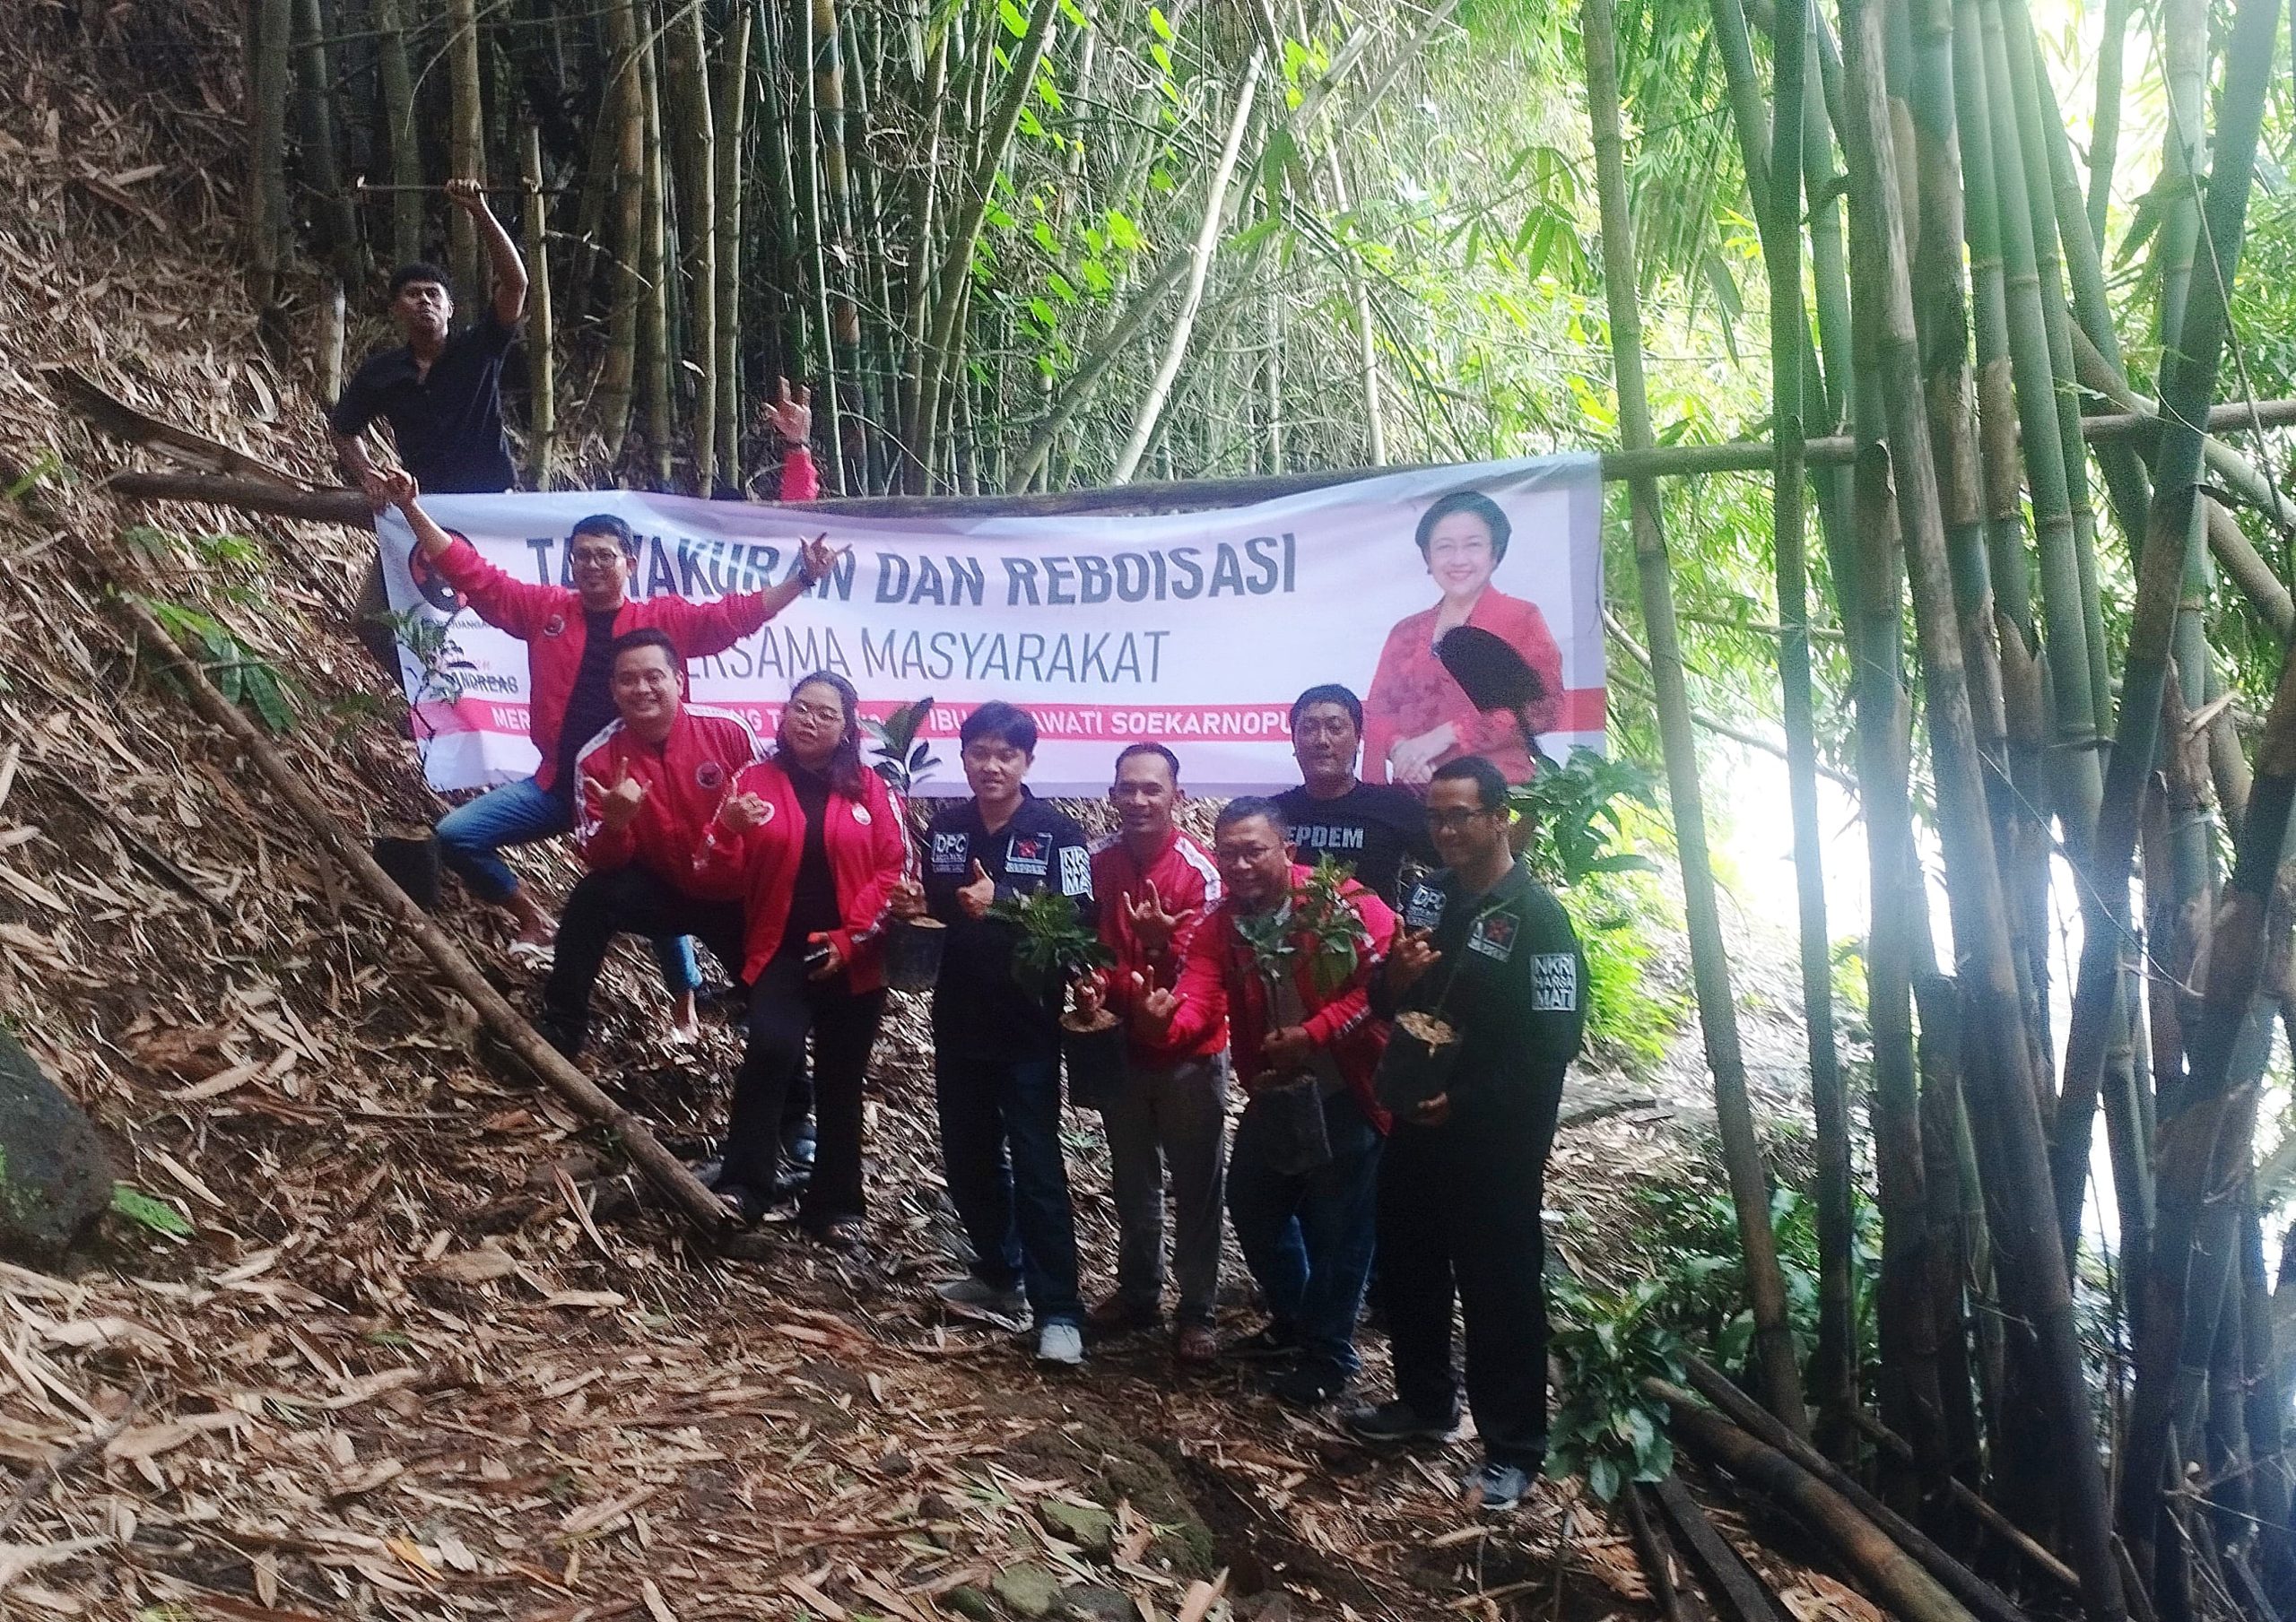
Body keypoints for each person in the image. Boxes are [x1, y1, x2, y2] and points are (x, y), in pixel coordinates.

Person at [380, 472, 839, 1040]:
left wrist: (801, 578)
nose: (592, 565)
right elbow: (472, 573)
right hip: (558, 783)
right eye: (581, 556)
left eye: (605, 555)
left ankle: (684, 1001)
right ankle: (532, 918)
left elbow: (736, 614)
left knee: (661, 882)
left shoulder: (663, 622)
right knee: (456, 835)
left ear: (630, 562)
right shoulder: (545, 609)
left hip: (645, 792)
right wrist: (412, 509)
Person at [1344, 756, 1586, 1514]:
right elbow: (1394, 995)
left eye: (1461, 815)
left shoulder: (1538, 917)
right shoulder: (1431, 893)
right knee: (1410, 1262)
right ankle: (1425, 1402)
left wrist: (1468, 1101)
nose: (1445, 830)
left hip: (1494, 1139)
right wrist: (1394, 978)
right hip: (1416, 1117)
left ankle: (1513, 1447)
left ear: (1500, 816)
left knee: (1497, 1288)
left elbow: (1554, 1043)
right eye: (1436, 816)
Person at [1135, 797, 1396, 1408]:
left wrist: (1315, 1032)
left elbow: (1379, 985)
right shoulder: (1224, 924)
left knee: (1340, 1226)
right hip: (1279, 1092)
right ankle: (1296, 1317)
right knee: (1253, 1201)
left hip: (1352, 1086)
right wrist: (1164, 1024)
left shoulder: (1342, 903)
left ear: (1288, 850)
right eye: (1228, 851)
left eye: (1254, 849)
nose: (1240, 863)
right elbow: (1198, 996)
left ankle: (1330, 1352)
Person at [888, 702, 1096, 1367]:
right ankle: (1000, 1273)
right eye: (979, 751)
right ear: (965, 756)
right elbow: (939, 908)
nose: (991, 765)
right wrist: (916, 908)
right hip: (958, 1021)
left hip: (1028, 1027)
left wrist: (1002, 898)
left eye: (1006, 753)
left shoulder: (1061, 834)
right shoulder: (946, 830)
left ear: (1027, 760)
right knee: (969, 1157)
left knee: (1037, 1167)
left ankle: (1059, 1309)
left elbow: (1080, 917)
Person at [687, 672, 908, 1240]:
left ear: (847, 729)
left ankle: (836, 1206)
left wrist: (850, 938)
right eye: (800, 709)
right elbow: (713, 876)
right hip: (781, 951)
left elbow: (892, 870)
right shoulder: (753, 780)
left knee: (842, 1076)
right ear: (783, 716)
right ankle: (745, 1186)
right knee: (769, 1052)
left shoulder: (871, 788)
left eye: (825, 714)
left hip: (855, 957)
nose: (809, 721)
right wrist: (727, 832)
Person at [1073, 744, 1228, 1366]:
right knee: (1132, 1178)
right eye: (1127, 788)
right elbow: (1084, 943)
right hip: (1121, 1046)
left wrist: (1165, 945)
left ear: (1177, 797)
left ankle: (1198, 1309)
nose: (1138, 800)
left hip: (1189, 1050)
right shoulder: (1095, 862)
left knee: (1196, 1183)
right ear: (1112, 795)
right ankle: (1139, 1291)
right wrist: (1090, 984)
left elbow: (1207, 966)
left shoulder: (1201, 871)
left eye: (1152, 789)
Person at [535, 631, 761, 1057]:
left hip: (735, 894)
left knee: (774, 1008)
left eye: (654, 676)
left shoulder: (728, 732)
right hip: (663, 890)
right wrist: (617, 825)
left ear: (679, 680)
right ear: (613, 691)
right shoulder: (596, 758)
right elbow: (600, 859)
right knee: (591, 899)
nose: (641, 689)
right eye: (627, 680)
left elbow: (774, 822)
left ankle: (790, 1109)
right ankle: (561, 1028)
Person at [331, 180, 529, 506]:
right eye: (413, 294)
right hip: (425, 506)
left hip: (494, 504)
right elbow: (342, 428)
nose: (424, 301)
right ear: (395, 309)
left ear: (450, 308)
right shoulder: (381, 372)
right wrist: (366, 472)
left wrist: (479, 210)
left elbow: (515, 283)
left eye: (433, 294)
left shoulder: (480, 348)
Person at [1361, 490, 1564, 787]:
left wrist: (1448, 735)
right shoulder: (1405, 632)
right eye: (1444, 547)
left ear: (1495, 553)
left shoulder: (1521, 618)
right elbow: (1376, 713)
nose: (1458, 560)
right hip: (1414, 795)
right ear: (1428, 557)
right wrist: (1402, 749)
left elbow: (1543, 711)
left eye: (1473, 545)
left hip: (1497, 793)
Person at [1274, 685, 1434, 906]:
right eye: (1309, 729)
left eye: (1335, 728)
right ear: (1294, 742)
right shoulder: (1273, 814)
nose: (1322, 740)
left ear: (1358, 739)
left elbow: (1454, 867)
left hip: (1374, 938)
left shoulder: (1394, 807)